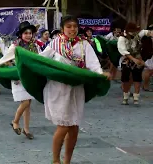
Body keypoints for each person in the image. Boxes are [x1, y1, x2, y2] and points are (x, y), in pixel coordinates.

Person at [41, 15, 110, 164]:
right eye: (69, 26)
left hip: (76, 89)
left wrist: (101, 75)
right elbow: (41, 61)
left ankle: (67, 161)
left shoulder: (83, 44)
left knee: (74, 126)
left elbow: (93, 64)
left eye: (75, 26)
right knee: (64, 125)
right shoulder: (54, 44)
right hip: (59, 89)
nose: (72, 29)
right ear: (62, 28)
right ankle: (55, 160)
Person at [0, 21, 42, 139]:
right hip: (18, 76)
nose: (28, 35)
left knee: (28, 104)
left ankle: (26, 129)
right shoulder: (15, 46)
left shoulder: (35, 45)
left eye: (30, 33)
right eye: (25, 33)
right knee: (25, 102)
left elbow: (40, 58)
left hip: (31, 77)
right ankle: (15, 121)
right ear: (21, 34)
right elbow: (5, 58)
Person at [117, 23, 153, 105]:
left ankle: (136, 97)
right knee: (126, 78)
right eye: (134, 30)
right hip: (126, 59)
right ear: (129, 31)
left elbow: (145, 32)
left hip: (137, 57)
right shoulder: (122, 38)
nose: (136, 32)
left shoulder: (137, 34)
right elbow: (123, 51)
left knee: (137, 77)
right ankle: (125, 96)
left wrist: (150, 33)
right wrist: (133, 60)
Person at [142, 24, 153, 91]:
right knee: (149, 71)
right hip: (151, 56)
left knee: (150, 71)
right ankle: (145, 86)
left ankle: (146, 85)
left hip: (149, 55)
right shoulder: (148, 35)